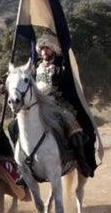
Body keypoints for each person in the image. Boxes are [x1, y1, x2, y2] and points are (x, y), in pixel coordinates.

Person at [33, 34, 98, 177]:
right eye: (42, 48)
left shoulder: (60, 66)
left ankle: (82, 161)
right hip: (38, 105)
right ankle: (23, 167)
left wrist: (62, 71)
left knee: (74, 129)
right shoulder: (36, 67)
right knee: (17, 126)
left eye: (47, 48)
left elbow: (66, 82)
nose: (44, 51)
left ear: (54, 50)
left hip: (58, 105)